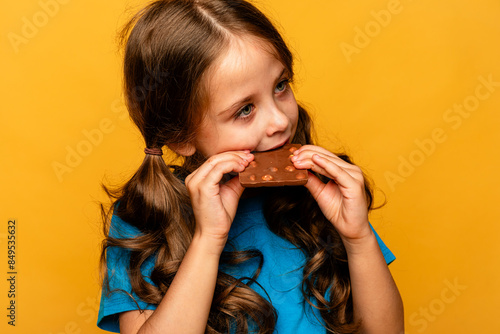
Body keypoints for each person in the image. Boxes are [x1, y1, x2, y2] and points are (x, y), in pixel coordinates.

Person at [97, 0, 404, 333]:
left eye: (281, 86)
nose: (279, 120)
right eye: (244, 110)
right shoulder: (144, 219)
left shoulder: (322, 195)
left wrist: (358, 237)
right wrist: (208, 240)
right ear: (181, 136)